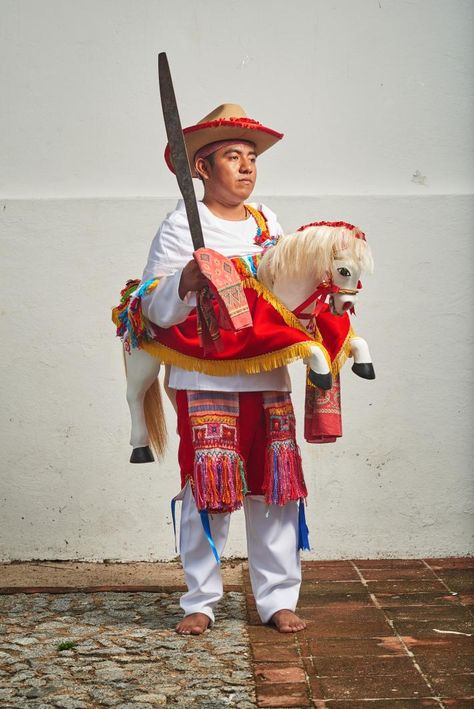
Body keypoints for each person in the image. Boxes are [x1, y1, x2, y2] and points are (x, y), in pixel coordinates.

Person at [140, 104, 308, 635]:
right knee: (207, 486)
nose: (245, 167)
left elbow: (286, 292)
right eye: (231, 156)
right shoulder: (180, 226)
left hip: (265, 374)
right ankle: (200, 599)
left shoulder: (267, 223)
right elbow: (152, 307)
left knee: (274, 487)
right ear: (201, 169)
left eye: (251, 157)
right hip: (206, 376)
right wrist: (186, 280)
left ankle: (277, 598)